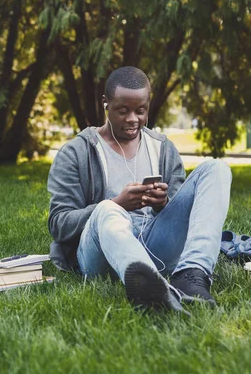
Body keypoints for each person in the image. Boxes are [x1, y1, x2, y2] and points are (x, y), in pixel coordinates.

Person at [47, 66, 232, 313]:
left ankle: (191, 276)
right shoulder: (76, 153)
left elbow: (183, 215)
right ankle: (152, 286)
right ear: (105, 103)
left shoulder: (163, 148)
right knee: (107, 209)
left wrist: (163, 203)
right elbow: (59, 223)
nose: (133, 119)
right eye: (123, 111)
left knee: (216, 167)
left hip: (156, 245)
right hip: (100, 256)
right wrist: (117, 204)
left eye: (140, 111)